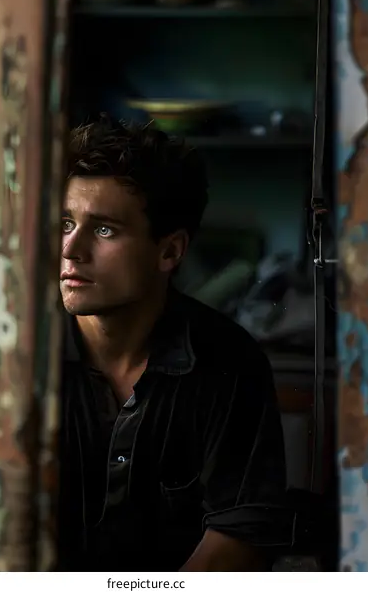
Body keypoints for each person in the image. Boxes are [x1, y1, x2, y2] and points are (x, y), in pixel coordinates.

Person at [57, 115, 289, 571]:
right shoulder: (15, 356)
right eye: (66, 223)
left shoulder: (231, 363)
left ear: (170, 251)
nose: (71, 249)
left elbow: (239, 530)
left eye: (103, 229)